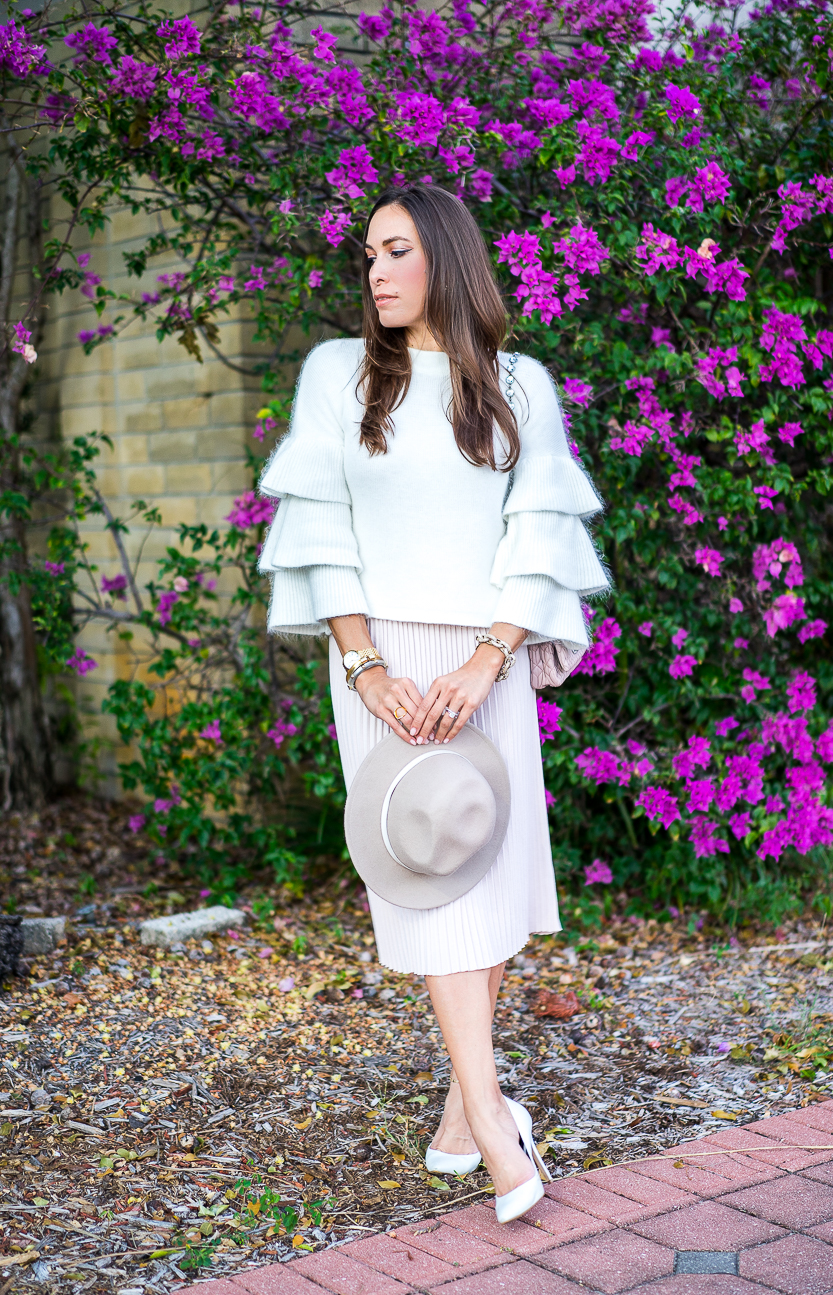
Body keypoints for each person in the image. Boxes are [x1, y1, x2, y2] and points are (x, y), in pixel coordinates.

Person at [258, 182, 610, 1222]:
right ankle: (500, 1126)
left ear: (446, 258)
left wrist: (487, 661)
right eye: (368, 253)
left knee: (488, 882)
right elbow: (319, 530)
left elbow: (539, 531)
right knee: (434, 887)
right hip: (384, 670)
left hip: (482, 666)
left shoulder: (522, 385)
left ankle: (464, 1108)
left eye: (397, 249)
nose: (375, 270)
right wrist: (370, 670)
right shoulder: (339, 375)